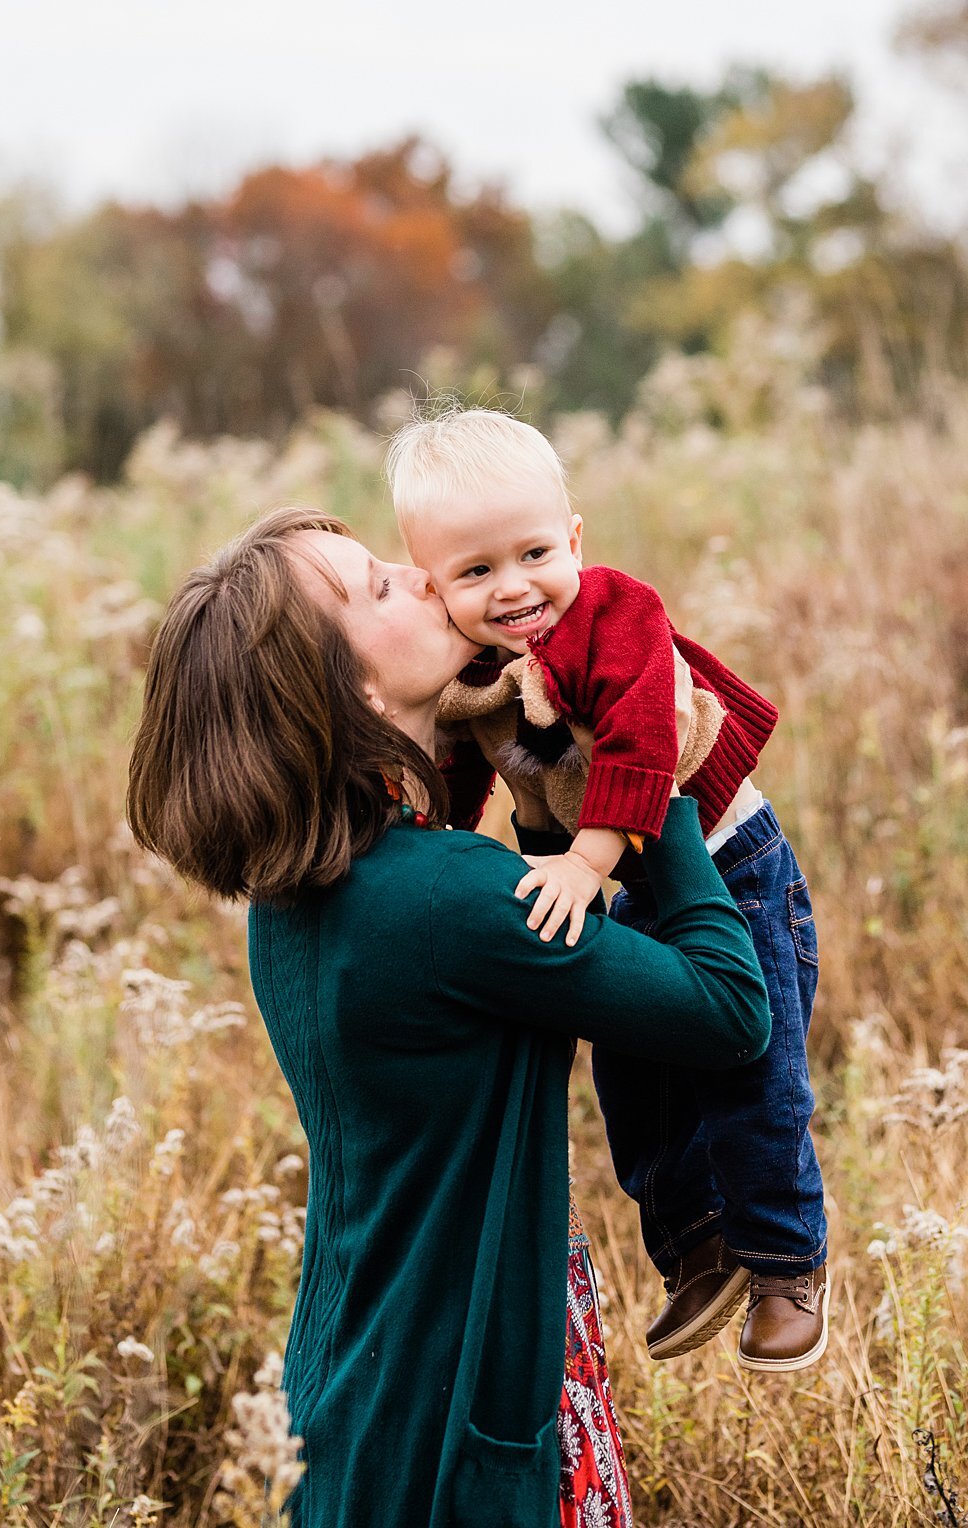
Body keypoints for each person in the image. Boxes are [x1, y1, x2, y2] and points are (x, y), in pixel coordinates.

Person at [125, 507, 771, 1527]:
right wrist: (655, 773)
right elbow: (731, 1008)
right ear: (354, 694)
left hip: (354, 1396)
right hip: (457, 1425)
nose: (422, 576)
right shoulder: (444, 900)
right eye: (377, 587)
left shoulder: (301, 891)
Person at [390, 407, 827, 1372]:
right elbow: (464, 769)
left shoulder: (614, 614)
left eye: (534, 553)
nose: (514, 590)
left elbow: (640, 738)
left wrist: (586, 863)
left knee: (752, 1079)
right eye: (475, 572)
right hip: (630, 881)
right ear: (432, 582)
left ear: (574, 540)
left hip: (729, 862)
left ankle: (787, 1261)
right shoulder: (472, 672)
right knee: (633, 1082)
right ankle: (697, 1247)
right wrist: (433, 842)